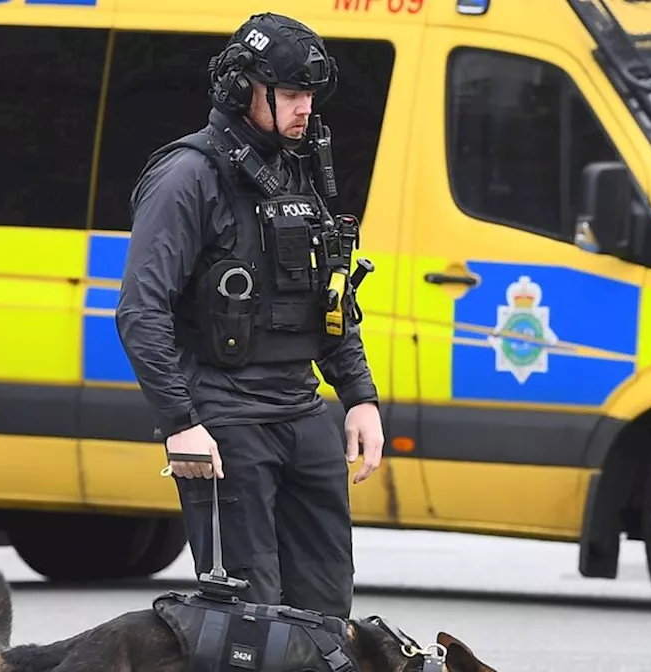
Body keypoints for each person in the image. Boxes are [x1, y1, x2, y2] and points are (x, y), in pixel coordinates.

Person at [115, 12, 384, 620]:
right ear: (242, 90)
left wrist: (359, 396)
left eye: (310, 95)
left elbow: (330, 295)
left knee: (326, 621)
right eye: (290, 94)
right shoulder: (187, 176)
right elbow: (140, 310)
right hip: (224, 421)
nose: (304, 110)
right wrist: (180, 422)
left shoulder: (297, 168)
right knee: (249, 624)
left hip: (301, 411)